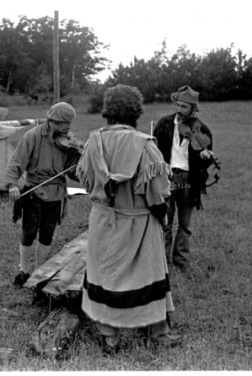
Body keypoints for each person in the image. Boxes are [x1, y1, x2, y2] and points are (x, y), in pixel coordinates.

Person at [77, 84, 180, 354]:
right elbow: (158, 191)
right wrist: (162, 213)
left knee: (105, 275)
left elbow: (86, 181)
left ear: (107, 111)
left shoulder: (92, 142)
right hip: (139, 224)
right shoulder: (145, 146)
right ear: (136, 111)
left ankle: (109, 336)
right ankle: (158, 331)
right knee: (148, 274)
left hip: (102, 220)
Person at [6, 102, 81, 287]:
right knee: (29, 232)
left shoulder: (68, 142)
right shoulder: (32, 136)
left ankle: (40, 269)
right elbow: (16, 161)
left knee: (47, 234)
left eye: (69, 126)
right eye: (64, 125)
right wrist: (12, 185)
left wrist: (80, 162)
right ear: (53, 121)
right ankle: (24, 270)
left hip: (56, 193)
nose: (67, 130)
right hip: (34, 191)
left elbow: (72, 173)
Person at [153, 85, 214, 272]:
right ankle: (162, 262)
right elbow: (153, 152)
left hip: (189, 178)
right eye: (177, 105)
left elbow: (206, 158)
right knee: (165, 223)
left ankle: (181, 261)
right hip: (168, 176)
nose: (179, 110)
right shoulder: (164, 124)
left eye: (184, 107)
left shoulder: (201, 129)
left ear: (193, 109)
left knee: (185, 224)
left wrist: (206, 158)